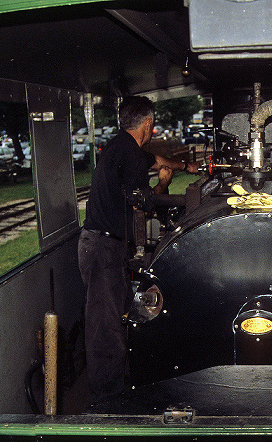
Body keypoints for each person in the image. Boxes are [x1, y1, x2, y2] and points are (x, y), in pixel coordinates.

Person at [78, 96, 199, 404]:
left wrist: (186, 166)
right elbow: (142, 202)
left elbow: (157, 160)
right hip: (103, 248)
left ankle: (116, 386)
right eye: (153, 124)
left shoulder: (121, 147)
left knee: (112, 319)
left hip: (100, 245)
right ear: (148, 123)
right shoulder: (130, 155)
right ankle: (108, 402)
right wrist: (162, 187)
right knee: (105, 329)